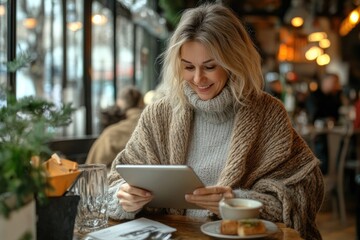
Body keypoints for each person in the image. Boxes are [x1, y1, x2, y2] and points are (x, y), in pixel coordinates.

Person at [107, 3, 324, 239]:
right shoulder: (159, 114)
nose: (198, 78)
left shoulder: (268, 114)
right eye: (188, 67)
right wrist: (125, 197)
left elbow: (303, 192)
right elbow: (114, 185)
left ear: (234, 61)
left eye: (210, 66)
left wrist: (238, 202)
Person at [86, 86, 144, 169]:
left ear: (120, 103)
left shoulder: (112, 133)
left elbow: (91, 168)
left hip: (119, 179)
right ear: (142, 103)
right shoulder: (153, 126)